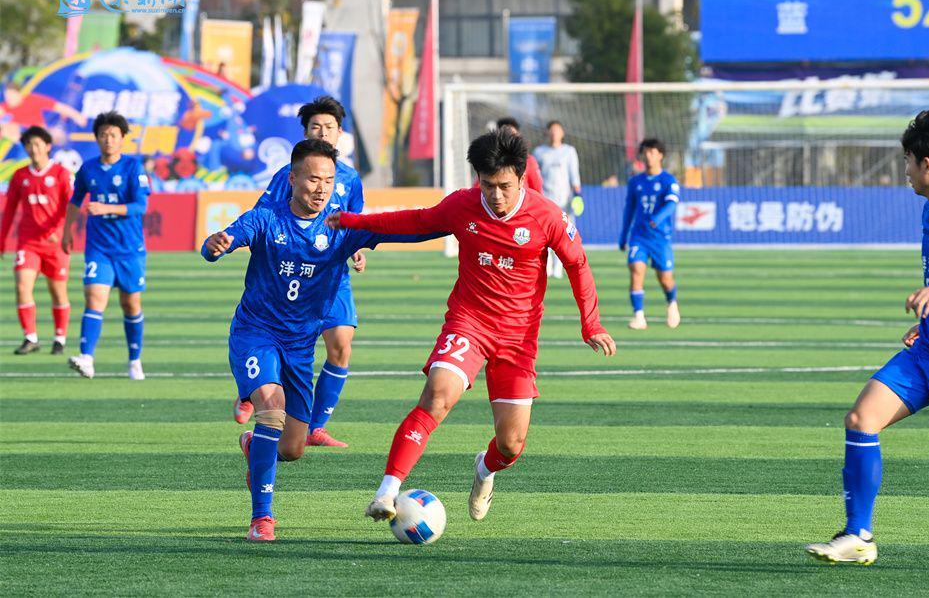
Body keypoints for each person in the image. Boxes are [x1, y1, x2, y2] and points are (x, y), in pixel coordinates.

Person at [328, 128, 617, 523]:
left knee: (511, 444)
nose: (495, 196)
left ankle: (484, 469)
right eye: (487, 185)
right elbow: (415, 222)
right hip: (469, 323)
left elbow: (577, 265)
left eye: (504, 186)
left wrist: (591, 324)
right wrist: (352, 221)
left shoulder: (548, 216)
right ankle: (387, 492)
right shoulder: (464, 206)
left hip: (518, 340)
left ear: (521, 177)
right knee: (437, 395)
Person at [201, 139, 434, 541]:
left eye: (328, 180)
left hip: (298, 346)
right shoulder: (265, 219)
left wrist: (454, 223)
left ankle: (254, 446)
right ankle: (262, 518)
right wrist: (214, 245)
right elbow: (222, 241)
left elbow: (403, 230)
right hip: (255, 334)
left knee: (292, 448)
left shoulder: (341, 227)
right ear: (292, 179)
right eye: (313, 178)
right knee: (271, 411)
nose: (322, 188)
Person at [806, 108, 929, 565]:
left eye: (908, 160)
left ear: (927, 164)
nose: (906, 170)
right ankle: (858, 537)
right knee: (860, 420)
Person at [234, 96, 364, 449]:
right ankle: (256, 387)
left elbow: (356, 222)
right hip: (289, 274)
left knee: (340, 346)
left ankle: (316, 425)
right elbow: (266, 215)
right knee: (277, 344)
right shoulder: (286, 176)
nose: (322, 133)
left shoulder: (350, 178)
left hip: (331, 275)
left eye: (329, 128)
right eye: (315, 128)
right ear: (305, 132)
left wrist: (357, 251)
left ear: (340, 133)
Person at [63, 111, 150, 380]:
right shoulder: (88, 169)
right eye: (103, 135)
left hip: (129, 249)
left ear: (123, 138)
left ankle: (135, 360)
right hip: (98, 248)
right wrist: (67, 231)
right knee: (94, 298)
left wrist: (106, 208)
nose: (108, 139)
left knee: (131, 305)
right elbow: (75, 200)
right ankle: (86, 358)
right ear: (97, 138)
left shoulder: (134, 167)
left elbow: (141, 206)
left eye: (113, 135)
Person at [0, 126, 73, 354]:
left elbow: (71, 206)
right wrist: (2, 241)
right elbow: (9, 210)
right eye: (29, 145)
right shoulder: (20, 176)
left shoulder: (61, 174)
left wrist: (62, 231)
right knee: (22, 285)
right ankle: (30, 338)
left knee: (57, 291)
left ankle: (59, 338)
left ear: (48, 147)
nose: (34, 149)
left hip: (55, 244)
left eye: (38, 144)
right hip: (28, 242)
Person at [619, 138, 681, 330]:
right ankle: (639, 317)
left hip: (660, 238)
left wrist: (657, 217)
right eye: (645, 152)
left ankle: (672, 303)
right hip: (639, 236)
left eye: (652, 152)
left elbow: (672, 204)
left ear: (660, 155)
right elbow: (629, 209)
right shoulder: (635, 182)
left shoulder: (668, 181)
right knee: (636, 270)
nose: (648, 156)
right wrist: (623, 235)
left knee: (665, 279)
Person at [532, 120, 582, 279]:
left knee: (564, 234)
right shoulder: (539, 152)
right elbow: (534, 175)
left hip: (564, 199)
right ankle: (546, 265)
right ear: (547, 132)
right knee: (543, 234)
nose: (554, 133)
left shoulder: (569, 151)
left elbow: (574, 174)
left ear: (562, 133)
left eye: (557, 130)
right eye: (551, 130)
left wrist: (577, 195)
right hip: (545, 199)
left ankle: (559, 266)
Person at [495, 116, 543, 193]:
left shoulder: (529, 160)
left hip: (523, 204)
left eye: (512, 134)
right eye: (505, 134)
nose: (509, 138)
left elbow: (537, 189)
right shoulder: (490, 160)